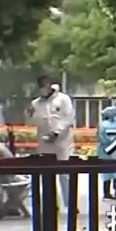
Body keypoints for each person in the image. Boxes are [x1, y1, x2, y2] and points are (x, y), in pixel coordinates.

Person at [28, 73, 76, 207]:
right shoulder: (36, 103)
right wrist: (30, 115)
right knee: (47, 173)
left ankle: (70, 204)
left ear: (50, 85)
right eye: (40, 86)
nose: (43, 88)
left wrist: (56, 132)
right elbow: (33, 122)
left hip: (62, 142)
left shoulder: (63, 99)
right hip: (45, 142)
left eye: (45, 85)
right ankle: (50, 204)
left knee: (64, 173)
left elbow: (69, 118)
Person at [95, 107, 116, 199]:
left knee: (110, 173)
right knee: (112, 173)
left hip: (110, 152)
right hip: (109, 151)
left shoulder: (110, 124)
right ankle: (114, 193)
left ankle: (110, 193)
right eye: (115, 114)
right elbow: (102, 138)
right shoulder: (105, 125)